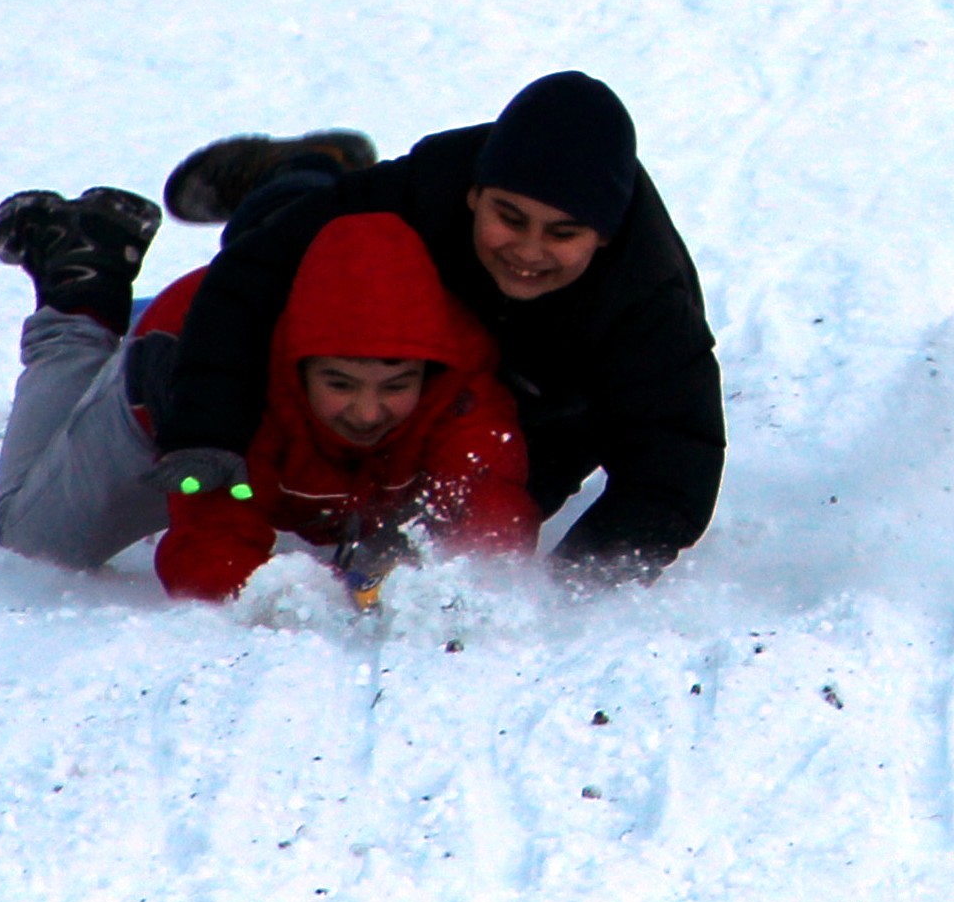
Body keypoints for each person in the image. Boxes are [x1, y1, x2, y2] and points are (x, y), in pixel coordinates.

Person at [154, 72, 724, 578]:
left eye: (562, 233)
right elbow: (254, 273)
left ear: (602, 235)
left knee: (494, 498)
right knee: (294, 232)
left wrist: (564, 586)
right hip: (422, 312)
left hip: (545, 388)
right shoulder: (422, 191)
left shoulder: (647, 304)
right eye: (510, 217)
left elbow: (672, 469)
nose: (529, 249)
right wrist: (208, 429)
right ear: (475, 194)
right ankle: (299, 169)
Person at [0, 184, 538, 602]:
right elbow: (214, 538)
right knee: (34, 536)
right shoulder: (229, 395)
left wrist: (463, 577)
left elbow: (488, 497)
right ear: (298, 367)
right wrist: (300, 597)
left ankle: (302, 177)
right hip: (166, 373)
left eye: (396, 386)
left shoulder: (461, 386)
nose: (369, 412)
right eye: (340, 384)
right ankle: (82, 284)